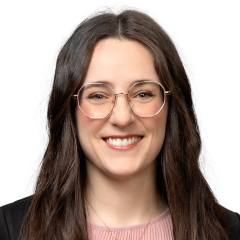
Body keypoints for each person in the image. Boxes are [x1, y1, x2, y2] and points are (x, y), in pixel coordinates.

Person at [0, 9, 239, 240]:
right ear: (69, 110)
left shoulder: (231, 231)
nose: (123, 118)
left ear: (172, 106)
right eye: (98, 95)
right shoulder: (9, 229)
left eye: (143, 94)